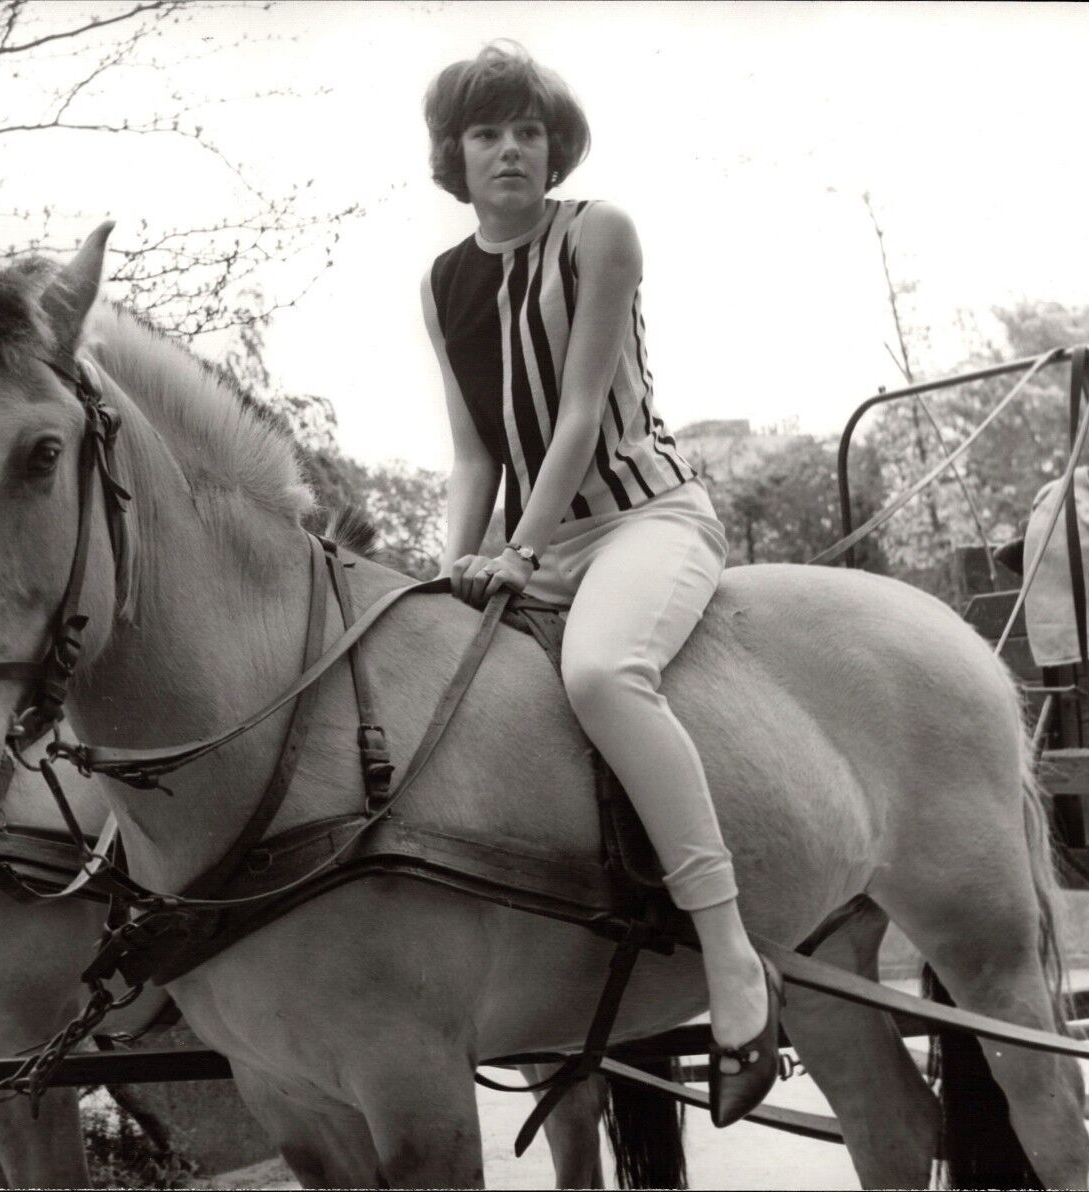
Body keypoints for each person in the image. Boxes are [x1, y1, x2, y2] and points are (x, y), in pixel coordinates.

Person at [421, 40, 782, 1127]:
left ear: (553, 146)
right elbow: (477, 454)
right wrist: (451, 564)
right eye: (487, 133)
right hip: (537, 533)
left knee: (603, 676)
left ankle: (729, 959)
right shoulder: (444, 282)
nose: (511, 150)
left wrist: (516, 557)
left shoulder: (599, 234)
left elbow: (577, 418)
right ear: (455, 154)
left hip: (642, 519)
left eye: (529, 130)